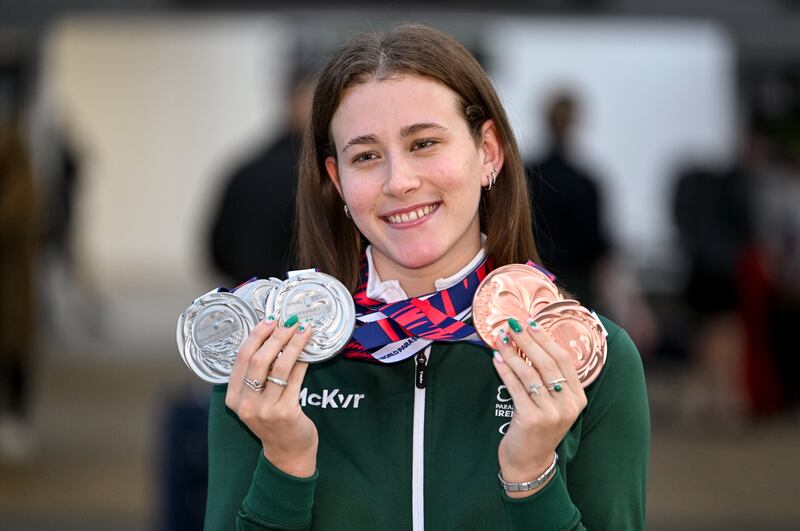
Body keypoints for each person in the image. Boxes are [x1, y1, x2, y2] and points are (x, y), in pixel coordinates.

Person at [205, 24, 649, 530]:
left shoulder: (592, 358)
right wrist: (285, 463)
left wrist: (532, 480)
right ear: (338, 182)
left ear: (488, 153)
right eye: (366, 156)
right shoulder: (266, 362)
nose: (399, 181)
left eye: (424, 143)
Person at [209, 71, 314, 284]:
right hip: (309, 302)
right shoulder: (322, 172)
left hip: (247, 300)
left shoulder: (247, 169)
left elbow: (216, 251)